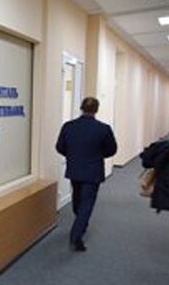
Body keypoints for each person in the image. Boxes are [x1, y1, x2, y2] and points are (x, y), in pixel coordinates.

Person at [56, 97, 117, 252]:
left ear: (81, 108)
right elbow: (111, 150)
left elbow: (60, 147)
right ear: (96, 110)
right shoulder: (103, 129)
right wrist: (97, 155)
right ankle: (76, 234)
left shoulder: (69, 126)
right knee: (86, 203)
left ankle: (79, 226)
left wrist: (73, 155)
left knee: (77, 200)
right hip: (93, 171)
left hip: (74, 170)